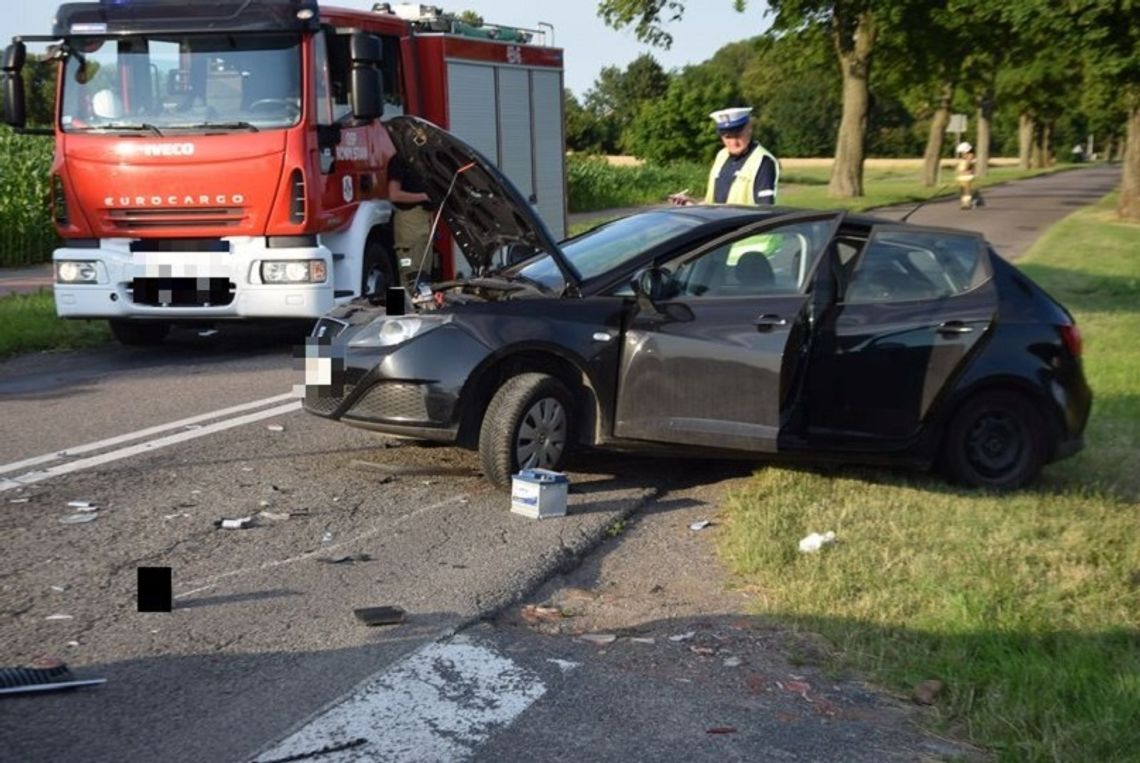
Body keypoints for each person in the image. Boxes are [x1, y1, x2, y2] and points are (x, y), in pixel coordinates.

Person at [670, 106, 779, 206]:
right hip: (721, 226)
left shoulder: (762, 161)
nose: (734, 143)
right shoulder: (722, 155)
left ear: (749, 129)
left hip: (744, 227)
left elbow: (764, 210)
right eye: (727, 137)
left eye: (738, 136)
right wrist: (692, 205)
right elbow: (714, 205)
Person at [387, 152, 434, 289]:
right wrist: (424, 196)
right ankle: (403, 310)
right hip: (409, 220)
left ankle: (421, 308)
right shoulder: (400, 160)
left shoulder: (424, 159)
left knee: (423, 275)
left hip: (424, 219)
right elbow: (394, 195)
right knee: (411, 276)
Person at [955, 141, 976, 210]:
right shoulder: (966, 156)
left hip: (966, 176)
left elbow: (968, 166)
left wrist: (964, 171)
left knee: (966, 190)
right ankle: (964, 203)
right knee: (963, 190)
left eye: (962, 152)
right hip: (962, 176)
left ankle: (966, 204)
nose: (962, 153)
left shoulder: (970, 156)